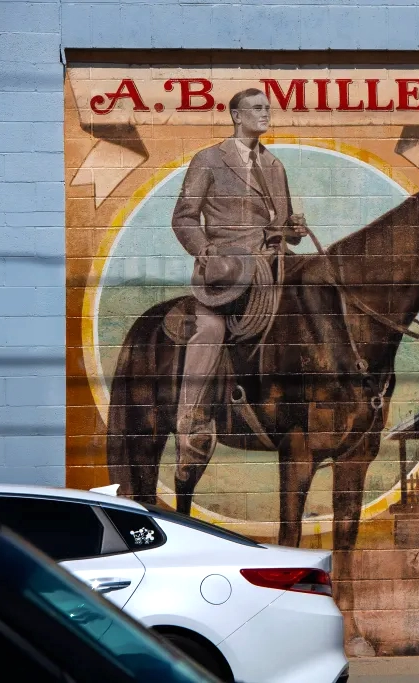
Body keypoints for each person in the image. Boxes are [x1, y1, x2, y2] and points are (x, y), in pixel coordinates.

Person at [171, 88, 307, 482]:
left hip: (272, 269)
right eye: (257, 109)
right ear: (236, 115)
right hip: (225, 273)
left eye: (268, 108)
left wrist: (292, 230)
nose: (265, 114)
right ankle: (190, 429)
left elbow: (278, 227)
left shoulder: (274, 165)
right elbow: (183, 218)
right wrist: (208, 254)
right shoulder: (209, 160)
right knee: (210, 330)